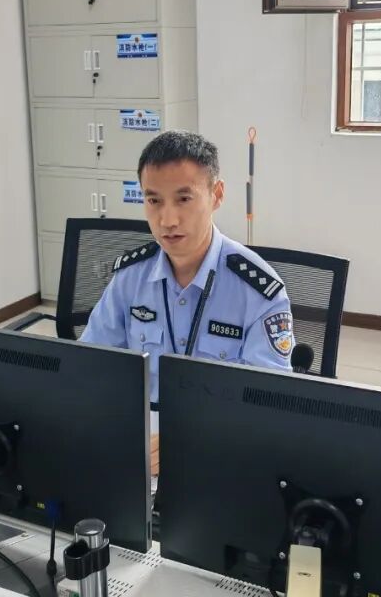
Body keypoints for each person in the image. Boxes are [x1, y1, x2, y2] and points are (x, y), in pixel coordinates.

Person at [80, 131, 295, 474]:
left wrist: (186, 442)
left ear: (217, 195)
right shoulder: (130, 277)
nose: (167, 220)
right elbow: (91, 367)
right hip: (139, 447)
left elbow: (269, 403)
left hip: (222, 450)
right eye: (153, 200)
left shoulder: (257, 290)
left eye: (184, 199)